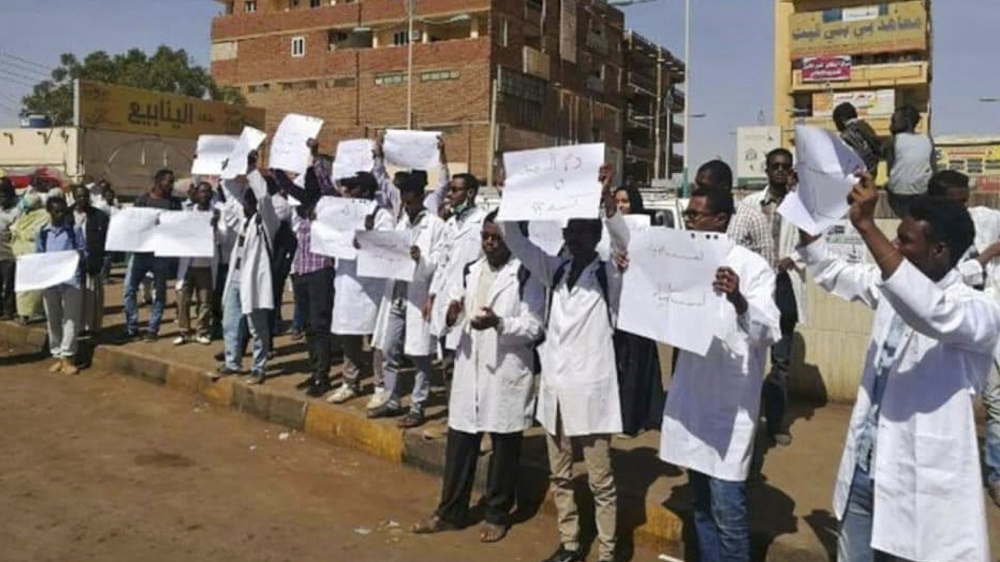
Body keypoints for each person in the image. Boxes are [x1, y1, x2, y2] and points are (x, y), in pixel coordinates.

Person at [799, 172, 999, 562]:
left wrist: (867, 226)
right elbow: (835, 273)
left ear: (939, 250)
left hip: (918, 481)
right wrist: (808, 219)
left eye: (904, 241)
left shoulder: (979, 310)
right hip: (864, 469)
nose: (893, 245)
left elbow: (931, 312)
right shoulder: (893, 289)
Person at [500, 165, 627, 562]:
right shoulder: (555, 270)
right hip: (555, 389)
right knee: (560, 473)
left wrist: (608, 201)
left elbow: (625, 244)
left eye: (582, 231)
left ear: (595, 235)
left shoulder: (608, 276)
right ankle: (570, 544)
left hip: (590, 391)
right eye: (569, 230)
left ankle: (607, 552)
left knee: (601, 480)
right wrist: (512, 196)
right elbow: (515, 240)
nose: (573, 237)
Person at [659, 185, 781, 562]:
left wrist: (739, 299)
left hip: (730, 409)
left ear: (721, 220)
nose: (689, 221)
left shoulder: (752, 267)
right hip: (693, 399)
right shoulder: (684, 260)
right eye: (688, 214)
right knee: (700, 507)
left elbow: (769, 331)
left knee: (728, 512)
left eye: (695, 215)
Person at [411, 211, 545, 542]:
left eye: (497, 237)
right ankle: (450, 511)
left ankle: (497, 514)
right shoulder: (470, 270)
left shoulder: (527, 274)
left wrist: (499, 323)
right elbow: (450, 312)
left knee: (504, 446)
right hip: (470, 365)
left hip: (505, 368)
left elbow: (534, 326)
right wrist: (451, 315)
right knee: (460, 442)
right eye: (486, 236)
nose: (489, 243)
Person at [927, 170, 1000, 509]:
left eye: (964, 201)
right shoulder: (924, 232)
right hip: (943, 329)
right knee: (948, 404)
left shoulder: (983, 220)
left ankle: (996, 474)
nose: (962, 208)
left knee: (996, 401)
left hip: (982, 324)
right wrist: (987, 255)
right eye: (954, 202)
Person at [368, 171, 449, 428]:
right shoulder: (401, 223)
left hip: (419, 295)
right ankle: (392, 400)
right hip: (397, 296)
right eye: (404, 200)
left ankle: (418, 405)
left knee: (420, 353)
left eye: (411, 200)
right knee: (389, 348)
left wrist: (419, 259)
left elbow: (439, 264)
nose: (407, 204)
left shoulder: (436, 226)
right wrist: (368, 243)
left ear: (421, 197)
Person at [741, 148, 806, 446]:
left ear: (791, 172)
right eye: (775, 165)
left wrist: (791, 259)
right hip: (754, 285)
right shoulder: (749, 204)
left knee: (780, 361)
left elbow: (813, 245)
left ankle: (776, 422)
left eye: (785, 166)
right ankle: (746, 420)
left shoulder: (801, 206)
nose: (780, 170)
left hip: (783, 284)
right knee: (748, 354)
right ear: (766, 170)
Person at [326, 171, 395, 404]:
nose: (346, 191)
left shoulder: (381, 214)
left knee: (376, 339)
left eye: (352, 187)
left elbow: (388, 247)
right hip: (346, 283)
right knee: (348, 336)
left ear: (365, 191)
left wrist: (368, 237)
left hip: (371, 288)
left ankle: (380, 385)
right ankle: (350, 382)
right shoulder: (343, 212)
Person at [273, 163, 337, 398]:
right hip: (301, 271)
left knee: (319, 325)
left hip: (320, 271)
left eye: (311, 180)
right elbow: (288, 186)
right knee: (309, 326)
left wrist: (314, 157)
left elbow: (326, 185)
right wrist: (277, 167)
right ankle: (314, 370)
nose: (307, 184)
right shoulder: (302, 207)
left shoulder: (328, 205)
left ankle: (323, 375)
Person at [611, 183, 665, 436]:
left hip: (640, 306)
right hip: (614, 305)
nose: (621, 206)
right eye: (617, 202)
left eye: (625, 201)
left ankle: (634, 418)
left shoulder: (648, 233)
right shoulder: (606, 231)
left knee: (637, 359)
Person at [218, 167, 278, 384]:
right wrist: (226, 171)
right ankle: (232, 362)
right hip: (235, 280)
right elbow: (229, 196)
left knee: (257, 328)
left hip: (253, 283)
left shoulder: (267, 223)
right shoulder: (243, 222)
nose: (244, 204)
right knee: (230, 323)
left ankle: (259, 367)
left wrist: (252, 170)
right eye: (245, 200)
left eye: (248, 201)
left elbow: (264, 197)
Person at [122, 169, 182, 342]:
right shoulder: (142, 200)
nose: (171, 185)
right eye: (168, 181)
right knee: (129, 289)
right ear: (158, 181)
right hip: (140, 252)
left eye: (172, 181)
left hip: (161, 254)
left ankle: (153, 329)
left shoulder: (174, 203)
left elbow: (178, 225)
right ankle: (132, 328)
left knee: (160, 292)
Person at [37, 196, 86, 375]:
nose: (60, 214)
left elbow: (83, 252)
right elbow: (39, 255)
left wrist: (76, 256)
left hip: (71, 280)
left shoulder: (74, 230)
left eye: (63, 211)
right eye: (56, 211)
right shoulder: (42, 232)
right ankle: (57, 354)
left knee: (71, 318)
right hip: (50, 280)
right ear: (49, 212)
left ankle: (68, 356)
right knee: (53, 317)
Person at [695, 160, 775, 266]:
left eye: (703, 186)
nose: (698, 190)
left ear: (723, 187)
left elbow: (767, 264)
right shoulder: (697, 217)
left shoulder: (753, 219)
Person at [174, 182, 219, 346]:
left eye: (207, 192)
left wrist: (215, 227)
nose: (204, 195)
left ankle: (202, 331)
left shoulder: (216, 214)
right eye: (201, 192)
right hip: (187, 266)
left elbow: (222, 239)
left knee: (205, 302)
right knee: (182, 300)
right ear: (196, 194)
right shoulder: (187, 213)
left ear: (211, 195)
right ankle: (184, 332)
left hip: (206, 266)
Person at [71, 185, 109, 336]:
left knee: (92, 297)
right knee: (76, 297)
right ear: (74, 197)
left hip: (92, 261)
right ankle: (77, 327)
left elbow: (105, 239)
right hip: (72, 264)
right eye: (79, 196)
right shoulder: (67, 215)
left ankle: (91, 327)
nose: (82, 199)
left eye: (85, 196)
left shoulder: (99, 216)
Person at [885, 105, 934, 218]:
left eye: (893, 121)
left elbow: (889, 171)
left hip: (898, 193)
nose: (890, 126)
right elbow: (933, 167)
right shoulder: (928, 139)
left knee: (888, 186)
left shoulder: (893, 140)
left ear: (906, 121)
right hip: (923, 192)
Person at [11, 193, 50, 324]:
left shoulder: (44, 215)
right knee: (23, 286)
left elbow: (36, 232)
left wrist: (20, 232)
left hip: (34, 255)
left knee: (35, 288)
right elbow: (15, 227)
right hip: (22, 256)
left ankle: (35, 312)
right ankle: (23, 313)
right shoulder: (25, 214)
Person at [833, 102, 883, 179]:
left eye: (836, 122)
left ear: (842, 119)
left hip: (859, 178)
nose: (836, 126)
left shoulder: (847, 135)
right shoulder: (865, 127)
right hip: (871, 174)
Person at [0, 178, 22, 320]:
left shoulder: (16, 211)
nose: (1, 197)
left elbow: (18, 232)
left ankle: (8, 311)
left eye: (4, 194)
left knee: (7, 284)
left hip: (8, 253)